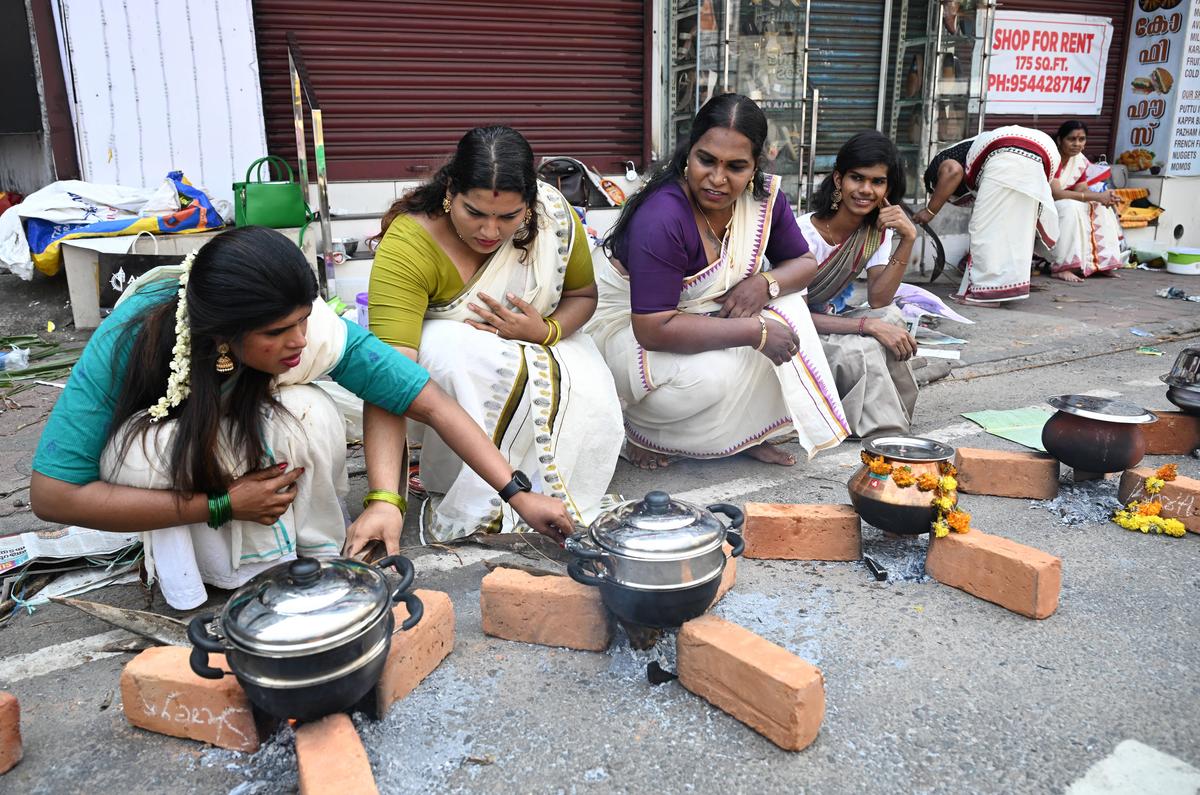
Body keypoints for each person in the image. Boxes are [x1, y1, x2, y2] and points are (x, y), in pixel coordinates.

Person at [28, 226, 575, 610]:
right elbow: (53, 495)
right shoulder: (131, 341)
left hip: (245, 446)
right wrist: (220, 503)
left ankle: (308, 557)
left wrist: (517, 495)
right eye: (274, 334)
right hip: (175, 472)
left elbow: (426, 401)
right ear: (223, 337)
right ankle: (211, 574)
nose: (297, 342)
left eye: (301, 321)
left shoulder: (307, 328)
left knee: (310, 414)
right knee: (151, 449)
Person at [369, 126, 621, 542]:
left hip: (546, 341)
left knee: (591, 388)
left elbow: (583, 295)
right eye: (475, 213)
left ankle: (546, 491)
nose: (490, 231)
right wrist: (383, 498)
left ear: (530, 204)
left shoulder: (552, 215)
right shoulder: (410, 246)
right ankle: (479, 493)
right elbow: (387, 379)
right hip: (447, 370)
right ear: (450, 191)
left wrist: (546, 329)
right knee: (454, 351)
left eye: (508, 217)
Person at [589, 93, 848, 470]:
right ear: (688, 152)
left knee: (788, 308)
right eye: (706, 160)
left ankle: (746, 434)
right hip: (622, 326)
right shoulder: (662, 215)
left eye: (736, 167)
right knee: (712, 376)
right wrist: (754, 333)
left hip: (694, 315)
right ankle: (633, 429)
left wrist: (765, 284)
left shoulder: (763, 199)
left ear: (756, 165)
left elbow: (804, 264)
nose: (716, 179)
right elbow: (652, 328)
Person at [801, 131, 920, 438]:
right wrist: (868, 326)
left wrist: (907, 239)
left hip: (823, 321)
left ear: (888, 188)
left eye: (877, 182)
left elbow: (880, 299)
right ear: (839, 180)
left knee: (893, 318)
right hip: (793, 331)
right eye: (857, 178)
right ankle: (881, 431)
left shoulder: (875, 231)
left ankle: (892, 413)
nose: (866, 190)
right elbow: (793, 318)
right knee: (863, 346)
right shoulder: (805, 235)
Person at [914, 125, 1060, 306]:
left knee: (985, 230)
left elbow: (953, 171)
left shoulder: (939, 163)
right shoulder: (971, 152)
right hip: (1042, 150)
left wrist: (929, 211)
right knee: (1015, 232)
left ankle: (985, 295)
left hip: (1004, 151)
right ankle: (1007, 289)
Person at [1041, 120, 1125, 282]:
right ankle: (1063, 266)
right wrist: (1096, 196)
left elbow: (1081, 189)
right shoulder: (1053, 157)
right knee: (1070, 207)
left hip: (1063, 201)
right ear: (1060, 140)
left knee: (1100, 207)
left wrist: (1106, 196)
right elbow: (1056, 193)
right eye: (1071, 139)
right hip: (1044, 205)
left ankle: (1100, 264)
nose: (1077, 144)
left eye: (1081, 139)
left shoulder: (1079, 159)